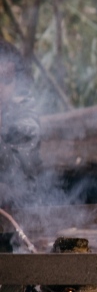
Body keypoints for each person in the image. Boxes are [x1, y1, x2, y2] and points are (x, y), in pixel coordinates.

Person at [0, 40, 42, 208]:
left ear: (18, 81)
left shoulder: (26, 118)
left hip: (19, 217)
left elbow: (17, 177)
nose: (0, 87)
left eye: (6, 78)